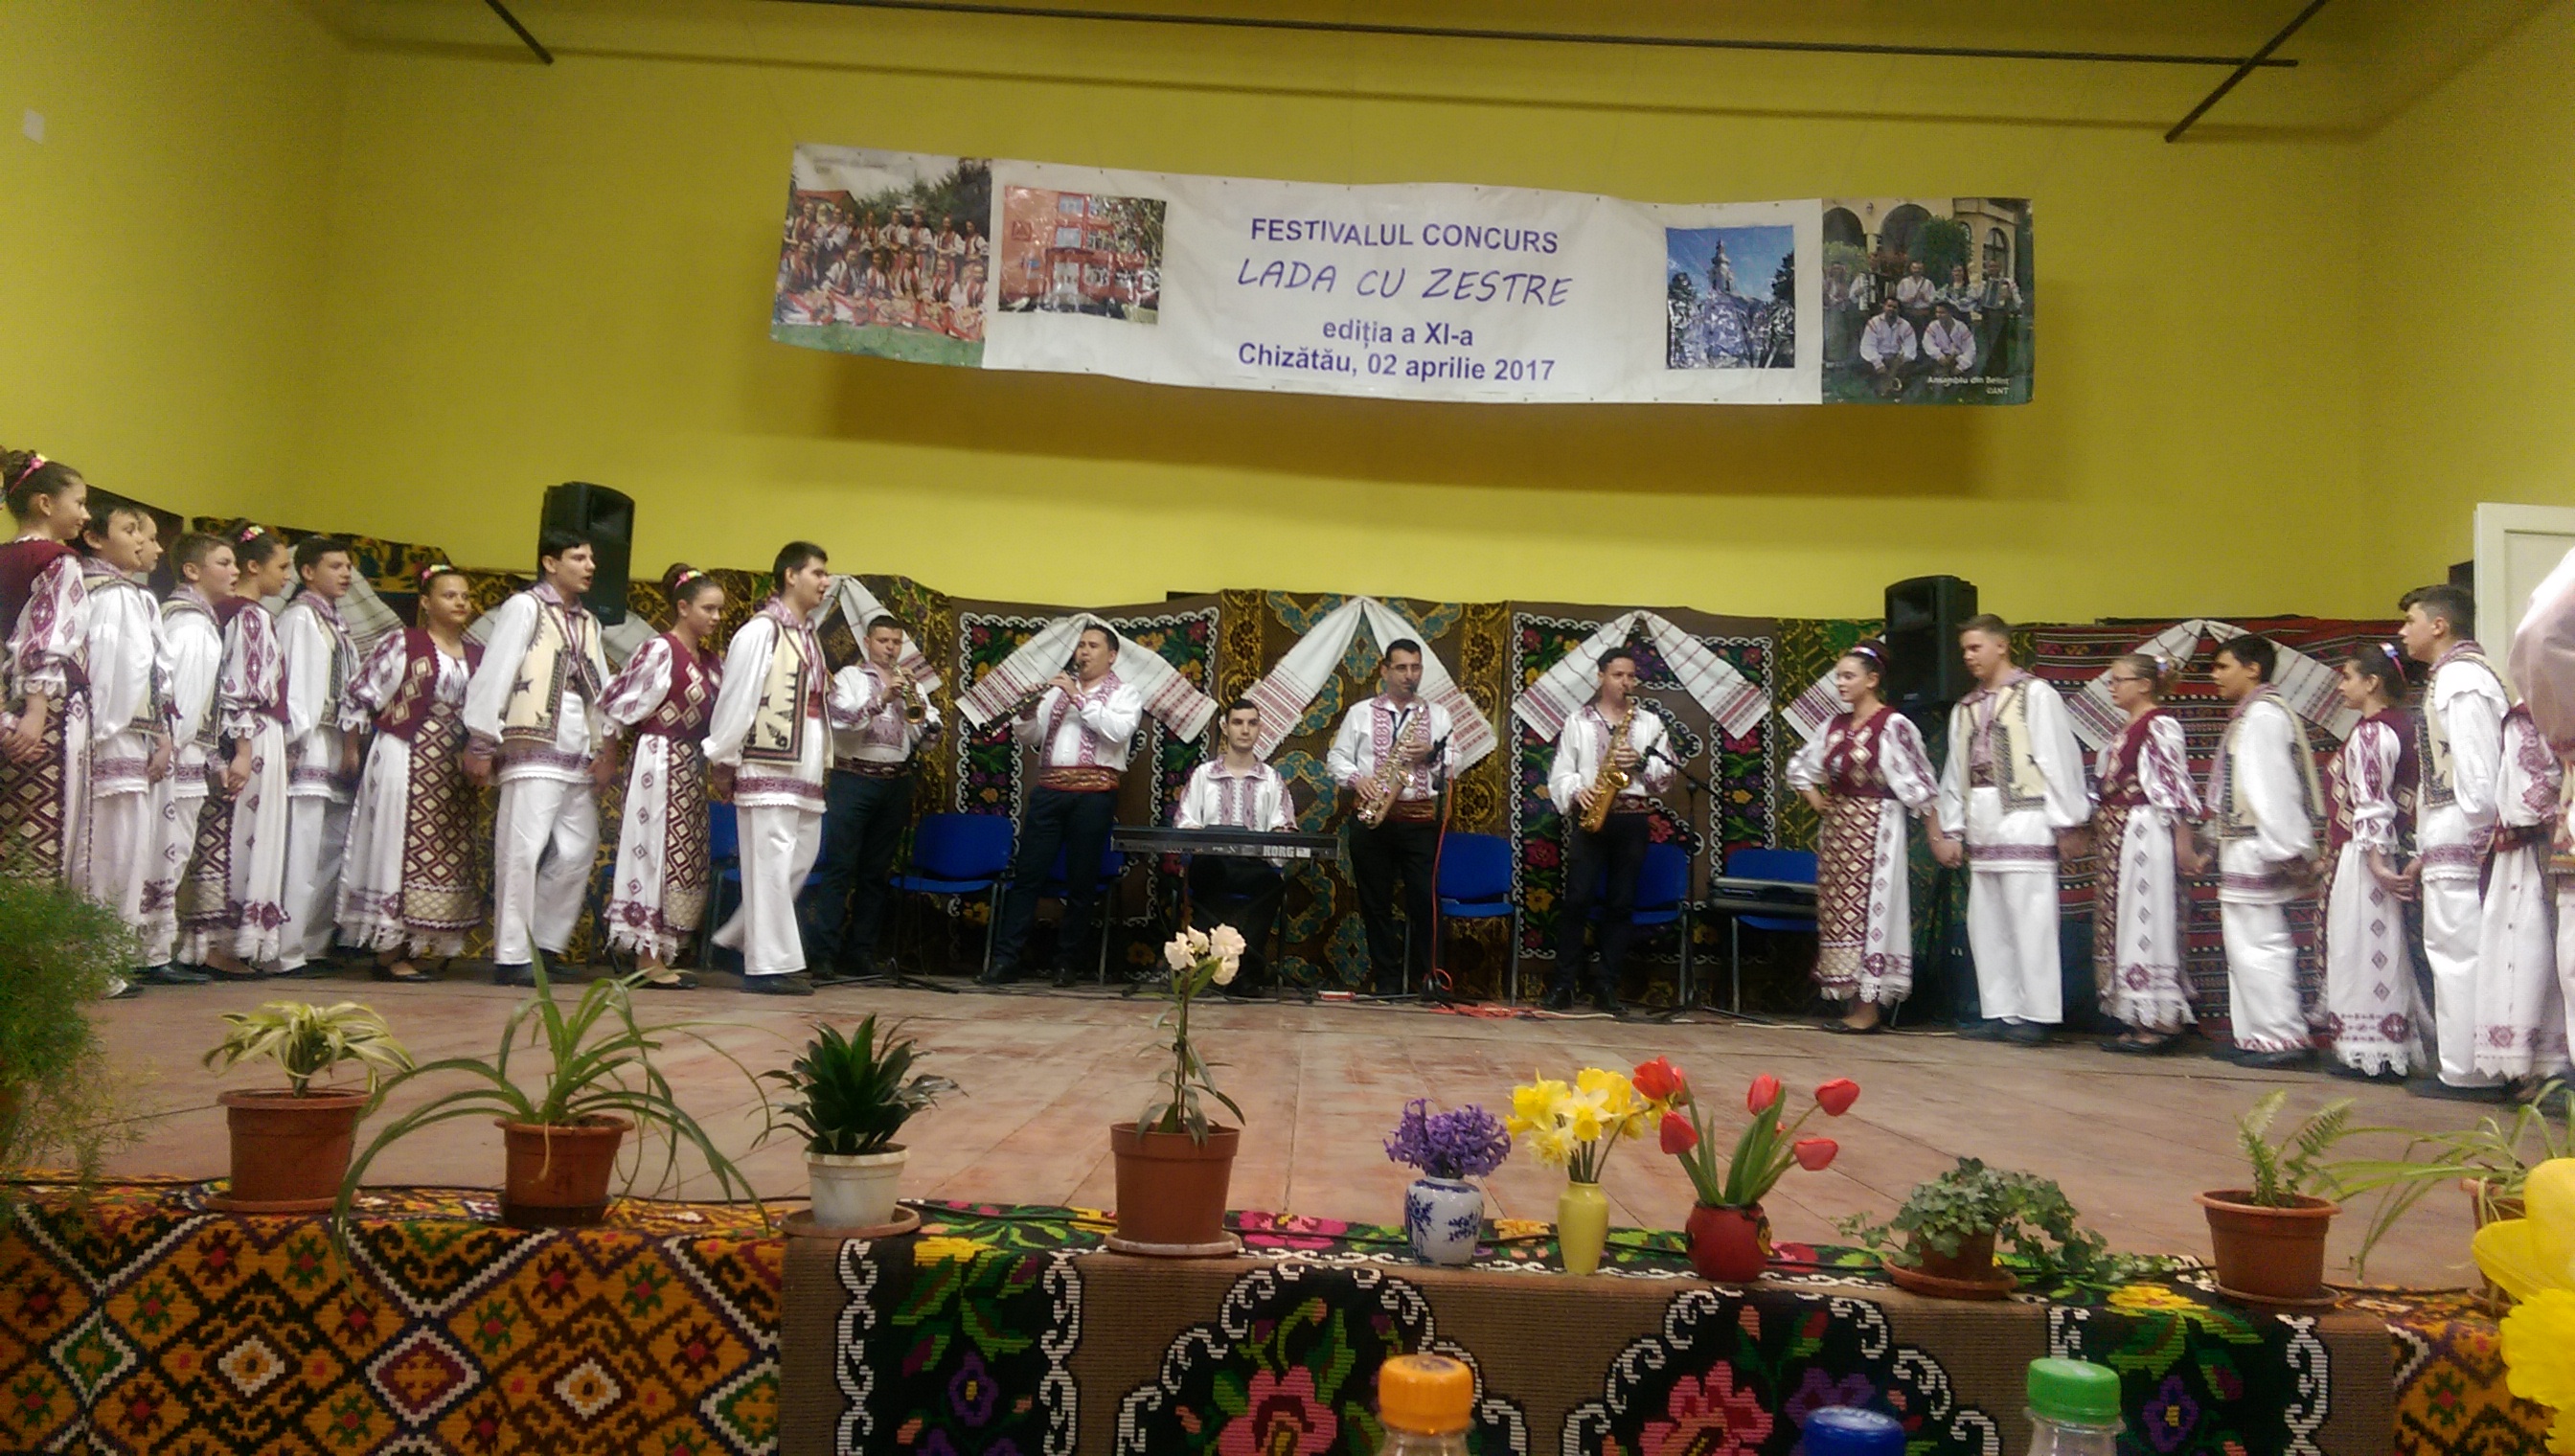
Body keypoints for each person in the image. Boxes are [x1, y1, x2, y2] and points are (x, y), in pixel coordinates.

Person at [706, 541, 858, 995]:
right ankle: (767, 964)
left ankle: (736, 939)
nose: (825, 582)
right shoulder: (761, 632)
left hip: (805, 763)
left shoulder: (808, 635)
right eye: (817, 573)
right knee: (771, 859)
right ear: (790, 576)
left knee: (800, 858)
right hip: (767, 760)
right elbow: (738, 697)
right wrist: (723, 756)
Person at [1932, 615, 2092, 1045]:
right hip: (1983, 817)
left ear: (2002, 646)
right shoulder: (1965, 708)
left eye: (1975, 647)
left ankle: (2037, 1013)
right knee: (1988, 921)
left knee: (2031, 916)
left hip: (2026, 815)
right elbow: (1955, 773)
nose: (1968, 657)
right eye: (1964, 650)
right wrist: (1952, 828)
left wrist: (2068, 821)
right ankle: (2001, 1009)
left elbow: (2058, 757)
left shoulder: (2035, 694)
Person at [463, 529, 613, 987]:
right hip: (532, 740)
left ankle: (543, 944)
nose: (589, 566)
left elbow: (601, 689)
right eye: (578, 557)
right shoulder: (524, 608)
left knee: (578, 848)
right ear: (550, 563)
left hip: (575, 745)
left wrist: (604, 744)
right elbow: (496, 671)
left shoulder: (589, 622)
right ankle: (512, 955)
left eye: (591, 559)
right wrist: (481, 740)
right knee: (522, 849)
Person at [336, 563, 483, 982]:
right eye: (449, 595)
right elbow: (361, 695)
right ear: (425, 602)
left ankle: (419, 943)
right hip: (404, 752)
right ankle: (389, 951)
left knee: (443, 848)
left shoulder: (477, 654)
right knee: (396, 844)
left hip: (451, 767)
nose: (459, 602)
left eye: (464, 596)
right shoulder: (404, 643)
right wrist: (351, 749)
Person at [2184, 635, 2322, 1069]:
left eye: (2223, 666)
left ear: (2253, 669)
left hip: (2257, 846)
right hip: (2244, 842)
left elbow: (2273, 789)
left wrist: (2288, 850)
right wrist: (2211, 842)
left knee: (2260, 942)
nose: (2216, 676)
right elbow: (2236, 790)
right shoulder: (2252, 716)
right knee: (2246, 943)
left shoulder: (2263, 717)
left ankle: (2280, 1036)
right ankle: (2257, 1035)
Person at [1788, 641, 1939, 1033]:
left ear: (1872, 680)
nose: (1840, 683)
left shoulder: (1893, 725)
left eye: (1848, 676)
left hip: (1878, 829)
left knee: (1874, 910)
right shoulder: (1833, 726)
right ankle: (1854, 1002)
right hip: (1839, 833)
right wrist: (1816, 799)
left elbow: (1920, 783)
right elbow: (1800, 768)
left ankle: (1868, 1010)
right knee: (1841, 913)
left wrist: (1937, 835)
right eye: (1838, 676)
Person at [2398, 582, 2512, 1100]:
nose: (2404, 632)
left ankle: (2473, 1070)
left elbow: (2478, 769)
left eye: (2411, 621)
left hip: (2464, 838)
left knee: (2461, 949)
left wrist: (2481, 834)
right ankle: (2462, 1063)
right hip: (2450, 836)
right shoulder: (2451, 677)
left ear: (2439, 625)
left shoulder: (2462, 678)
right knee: (2449, 948)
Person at [985, 622, 1143, 987]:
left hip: (1094, 795)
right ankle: (1006, 960)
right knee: (1028, 876)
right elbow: (1031, 737)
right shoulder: (1056, 693)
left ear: (1112, 655)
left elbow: (1117, 731)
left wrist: (1077, 697)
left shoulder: (1125, 694)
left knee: (1082, 881)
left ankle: (1067, 963)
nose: (1083, 652)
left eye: (1092, 646)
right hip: (1049, 792)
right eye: (1081, 645)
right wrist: (1027, 713)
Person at [597, 565, 726, 990]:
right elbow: (616, 703)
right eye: (708, 609)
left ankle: (662, 949)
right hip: (658, 759)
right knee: (653, 848)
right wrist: (608, 756)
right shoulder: (661, 650)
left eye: (720, 610)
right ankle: (647, 956)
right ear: (683, 607)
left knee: (680, 854)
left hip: (690, 764)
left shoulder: (711, 662)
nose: (716, 617)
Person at [177, 524, 294, 979]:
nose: (286, 576)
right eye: (282, 566)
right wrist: (243, 749)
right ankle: (221, 942)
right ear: (254, 566)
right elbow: (242, 687)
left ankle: (211, 939)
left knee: (224, 831)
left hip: (232, 733)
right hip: (251, 734)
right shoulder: (249, 615)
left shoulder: (221, 611)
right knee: (242, 833)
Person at [68, 497, 170, 995]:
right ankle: (95, 966)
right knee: (110, 849)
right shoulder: (113, 595)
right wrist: (111, 733)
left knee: (118, 849)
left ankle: (105, 961)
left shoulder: (118, 592)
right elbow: (114, 670)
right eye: (130, 530)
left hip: (122, 735)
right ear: (94, 538)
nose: (143, 541)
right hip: (114, 738)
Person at [805, 612, 941, 982]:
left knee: (876, 874)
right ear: (868, 643)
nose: (890, 648)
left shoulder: (913, 685)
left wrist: (924, 720)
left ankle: (861, 952)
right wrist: (882, 698)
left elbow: (926, 741)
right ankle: (824, 955)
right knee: (840, 868)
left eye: (896, 642)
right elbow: (840, 719)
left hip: (894, 783)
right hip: (853, 780)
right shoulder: (850, 678)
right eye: (883, 641)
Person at [1544, 648, 1676, 1016]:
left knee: (1621, 903)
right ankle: (1563, 985)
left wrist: (1642, 762)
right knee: (1577, 900)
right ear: (1600, 677)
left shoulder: (1650, 723)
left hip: (1632, 819)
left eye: (1631, 676)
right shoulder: (1579, 721)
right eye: (1618, 675)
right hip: (1592, 816)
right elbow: (1561, 772)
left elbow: (1667, 776)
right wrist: (1577, 791)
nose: (1626, 682)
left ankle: (1606, 986)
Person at [1329, 637, 1460, 996]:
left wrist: (1430, 754)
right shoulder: (1360, 713)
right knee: (1375, 903)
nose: (1409, 675)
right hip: (1373, 819)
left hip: (1419, 819)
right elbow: (1337, 758)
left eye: (1415, 668)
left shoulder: (1438, 715)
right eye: (1401, 668)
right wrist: (1359, 780)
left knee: (1424, 900)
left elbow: (1455, 763)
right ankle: (1386, 980)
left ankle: (1428, 978)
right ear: (1385, 670)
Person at [2089, 653, 2203, 1053]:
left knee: (2145, 915)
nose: (2112, 687)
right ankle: (2142, 1016)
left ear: (2144, 685)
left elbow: (2175, 791)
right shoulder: (2128, 728)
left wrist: (2183, 845)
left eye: (2119, 680)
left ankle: (2157, 1018)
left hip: (2145, 831)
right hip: (2123, 834)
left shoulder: (2159, 726)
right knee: (2129, 917)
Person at [2321, 644, 2425, 1080]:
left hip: (2368, 852)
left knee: (2367, 945)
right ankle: (2376, 1046)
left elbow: (2373, 802)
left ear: (2372, 682)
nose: (2341, 686)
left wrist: (2377, 862)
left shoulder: (2373, 732)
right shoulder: (2402, 725)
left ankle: (2377, 1051)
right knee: (2372, 944)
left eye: (2347, 677)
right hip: (2380, 847)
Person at [138, 532, 235, 984]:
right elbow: (182, 699)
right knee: (168, 848)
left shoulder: (194, 619)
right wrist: (175, 748)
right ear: (192, 570)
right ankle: (149, 953)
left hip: (185, 752)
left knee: (173, 849)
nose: (234, 571)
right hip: (178, 755)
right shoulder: (190, 624)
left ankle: (154, 948)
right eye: (224, 562)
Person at [0, 449, 93, 888]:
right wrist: (36, 711)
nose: (86, 515)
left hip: (4, 706)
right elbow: (46, 637)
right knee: (40, 829)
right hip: (44, 710)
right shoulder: (58, 560)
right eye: (80, 502)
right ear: (45, 503)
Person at [1173, 696, 1298, 998]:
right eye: (1238, 723)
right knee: (1208, 876)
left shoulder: (1271, 779)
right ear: (1225, 727)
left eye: (1252, 723)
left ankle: (1246, 974)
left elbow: (1285, 827)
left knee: (1272, 884)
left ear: (1259, 728)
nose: (1245, 730)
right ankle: (1208, 972)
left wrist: (1274, 838)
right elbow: (1185, 822)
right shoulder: (1204, 775)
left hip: (1255, 867)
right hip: (1212, 864)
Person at [276, 535, 361, 975]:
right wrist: (294, 744)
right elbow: (295, 687)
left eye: (348, 567)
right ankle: (284, 949)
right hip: (308, 742)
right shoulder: (300, 618)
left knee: (328, 848)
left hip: (332, 742)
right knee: (301, 846)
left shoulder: (337, 624)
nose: (345, 574)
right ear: (308, 572)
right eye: (335, 566)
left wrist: (349, 744)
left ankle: (312, 943)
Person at [2474, 698, 2567, 1086]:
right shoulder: (2528, 715)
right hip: (2537, 848)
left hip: (2547, 843)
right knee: (2538, 948)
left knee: (2543, 949)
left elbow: (2529, 799)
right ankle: (2537, 1062)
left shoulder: (2531, 715)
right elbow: (2526, 800)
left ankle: (2545, 1062)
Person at [1858, 297, 1921, 398]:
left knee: (1908, 370)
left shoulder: (1906, 326)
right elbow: (1868, 346)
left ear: (1899, 310)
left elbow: (1911, 347)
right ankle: (1880, 389)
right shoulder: (1874, 323)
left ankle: (1895, 390)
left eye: (1895, 307)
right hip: (1879, 357)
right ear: (1884, 307)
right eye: (1889, 306)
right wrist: (1878, 363)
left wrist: (1902, 359)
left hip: (1897, 359)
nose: (1891, 309)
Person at [1924, 301, 1977, 377]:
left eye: (1942, 313)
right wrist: (1939, 356)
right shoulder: (1933, 326)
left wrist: (1961, 367)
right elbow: (1928, 344)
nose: (1939, 315)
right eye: (1937, 312)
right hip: (1940, 360)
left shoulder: (1961, 327)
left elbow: (1970, 349)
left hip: (1959, 360)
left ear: (1950, 313)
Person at [1895, 260, 1938, 329]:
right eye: (1914, 268)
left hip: (1924, 314)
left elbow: (1934, 298)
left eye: (1919, 268)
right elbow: (1898, 297)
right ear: (1910, 269)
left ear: (1922, 270)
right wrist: (1906, 299)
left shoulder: (1928, 283)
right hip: (1908, 313)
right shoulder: (1904, 282)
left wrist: (1925, 298)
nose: (1917, 270)